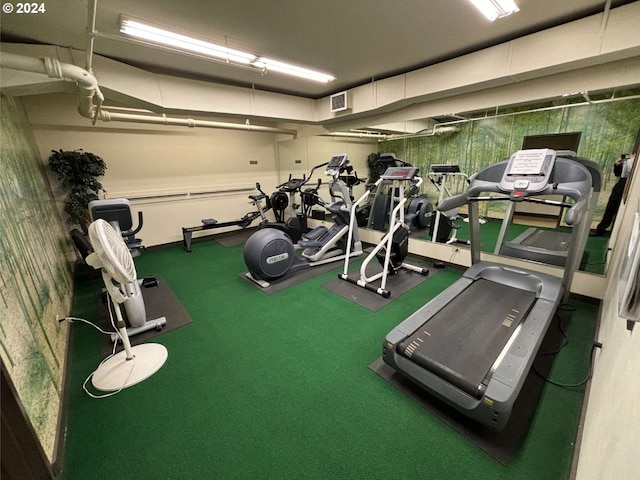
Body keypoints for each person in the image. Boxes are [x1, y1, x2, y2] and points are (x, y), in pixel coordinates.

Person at [591, 153, 635, 236]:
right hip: (621, 183)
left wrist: (632, 161)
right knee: (610, 208)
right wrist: (618, 164)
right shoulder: (628, 160)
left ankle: (618, 233)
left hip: (630, 185)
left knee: (623, 211)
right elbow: (617, 174)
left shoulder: (635, 161)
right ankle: (600, 229)